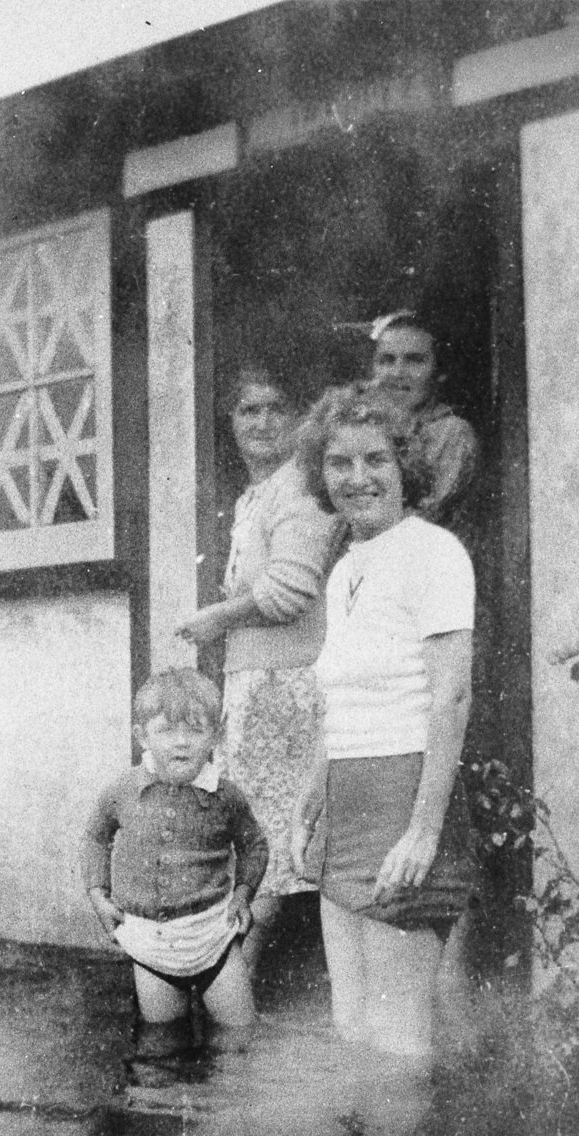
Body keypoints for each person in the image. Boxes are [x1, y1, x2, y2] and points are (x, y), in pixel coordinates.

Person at [290, 384, 476, 1075]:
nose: (358, 477)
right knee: (353, 1026)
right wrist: (314, 793)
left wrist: (424, 829)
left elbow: (451, 696)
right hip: (346, 799)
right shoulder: (343, 571)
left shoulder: (435, 551)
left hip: (405, 798)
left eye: (376, 459)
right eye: (339, 462)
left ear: (405, 466)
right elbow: (336, 694)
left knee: (399, 1041)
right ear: (321, 471)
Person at [175, 365, 345, 973]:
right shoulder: (257, 495)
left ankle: (236, 984)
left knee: (272, 845)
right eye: (250, 410)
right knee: (261, 839)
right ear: (232, 422)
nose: (264, 421)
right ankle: (235, 982)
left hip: (289, 686)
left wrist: (217, 619)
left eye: (277, 408)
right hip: (258, 687)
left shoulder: (299, 485)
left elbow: (291, 591)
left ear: (299, 420)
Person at [81, 668, 268, 1039]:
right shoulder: (124, 790)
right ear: (142, 736)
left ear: (215, 735)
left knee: (239, 1036)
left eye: (195, 730)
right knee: (162, 1042)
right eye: (166, 730)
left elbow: (254, 845)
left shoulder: (225, 795)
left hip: (213, 937)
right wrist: (97, 894)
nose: (181, 743)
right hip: (151, 946)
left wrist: (244, 894)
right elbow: (95, 837)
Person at [341, 310, 480, 541]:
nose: (398, 373)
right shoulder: (369, 429)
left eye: (414, 361)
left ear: (439, 372)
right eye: (386, 360)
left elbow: (422, 518)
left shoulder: (451, 433)